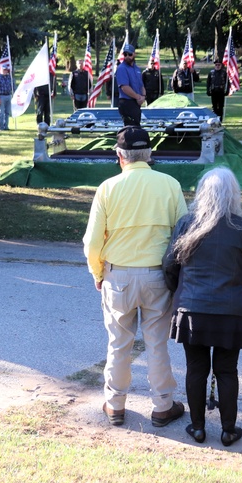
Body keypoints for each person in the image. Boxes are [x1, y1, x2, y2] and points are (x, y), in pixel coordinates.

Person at [83, 125, 188, 429]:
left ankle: (115, 405)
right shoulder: (169, 184)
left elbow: (92, 243)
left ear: (120, 156)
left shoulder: (108, 188)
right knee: (157, 344)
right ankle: (163, 405)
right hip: (157, 276)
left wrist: (98, 272)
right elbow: (182, 234)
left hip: (119, 276)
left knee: (118, 344)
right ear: (149, 154)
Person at [163, 167, 242, 446]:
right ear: (234, 194)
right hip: (231, 311)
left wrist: (180, 292)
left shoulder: (187, 224)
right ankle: (229, 429)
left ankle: (197, 427)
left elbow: (169, 266)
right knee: (227, 370)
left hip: (192, 309)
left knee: (196, 368)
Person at [115, 44, 145, 126]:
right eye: (125, 54)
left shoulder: (137, 69)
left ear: (134, 54)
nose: (127, 56)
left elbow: (141, 85)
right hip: (126, 102)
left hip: (136, 103)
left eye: (130, 54)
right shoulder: (121, 68)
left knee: (136, 126)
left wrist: (143, 96)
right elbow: (125, 87)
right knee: (131, 129)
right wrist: (138, 97)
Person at [0, 64, 13, 130]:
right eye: (4, 69)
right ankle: (1, 127)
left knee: (7, 112)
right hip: (1, 96)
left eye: (6, 70)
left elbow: (12, 86)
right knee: (1, 112)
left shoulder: (9, 77)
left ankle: (6, 126)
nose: (5, 71)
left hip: (8, 95)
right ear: (1, 70)